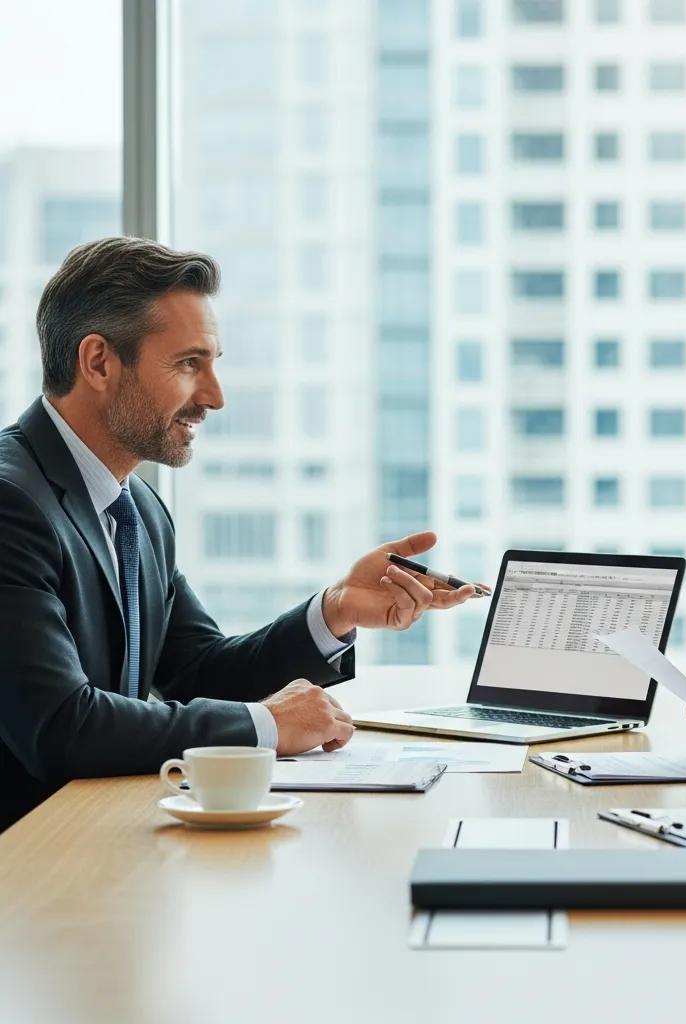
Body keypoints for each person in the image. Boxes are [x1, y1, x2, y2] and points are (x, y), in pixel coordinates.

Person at [0, 237, 485, 830]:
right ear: (99, 362)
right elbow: (59, 725)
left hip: (96, 838)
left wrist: (332, 613)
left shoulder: (139, 511)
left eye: (213, 364)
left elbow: (201, 671)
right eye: (188, 364)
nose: (214, 397)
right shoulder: (11, 503)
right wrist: (264, 726)